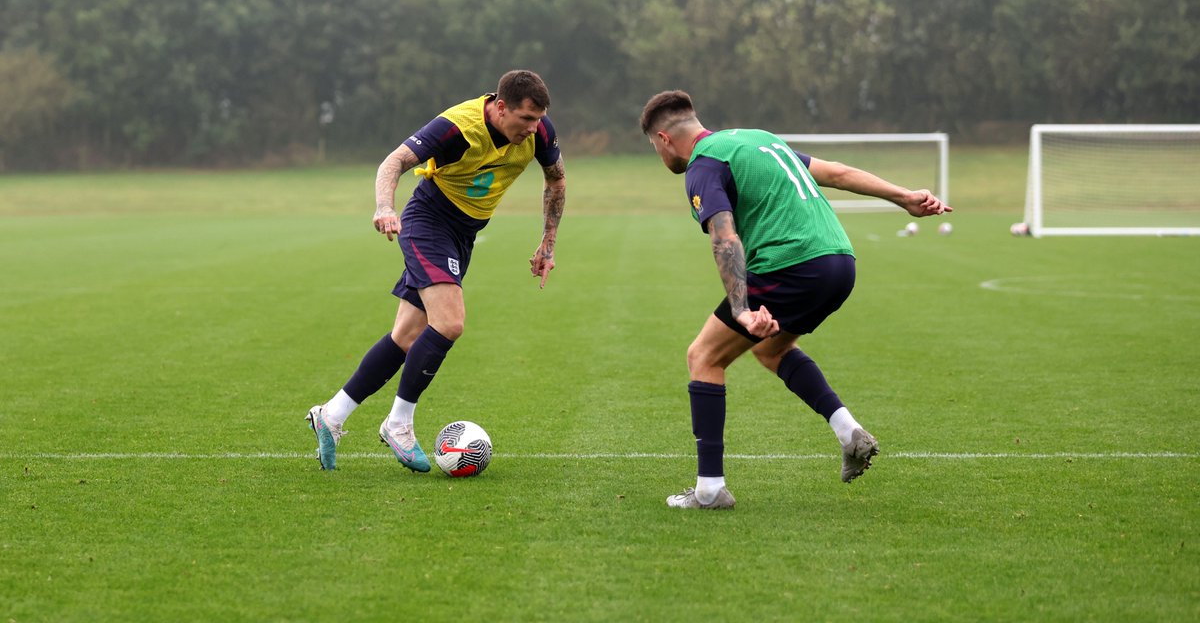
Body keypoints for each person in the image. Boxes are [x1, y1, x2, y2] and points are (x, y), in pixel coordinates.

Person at [639, 90, 951, 509]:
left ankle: (709, 490)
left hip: (793, 263)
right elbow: (837, 172)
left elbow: (725, 237)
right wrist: (905, 197)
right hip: (840, 262)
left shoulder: (703, 165)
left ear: (663, 139)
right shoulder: (757, 139)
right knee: (772, 349)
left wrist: (741, 311)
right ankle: (848, 432)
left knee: (704, 358)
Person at [306, 70, 566, 472]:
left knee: (407, 335)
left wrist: (548, 242)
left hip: (464, 232)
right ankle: (399, 423)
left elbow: (556, 180)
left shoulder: (539, 130)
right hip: (430, 221)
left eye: (537, 120)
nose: (533, 129)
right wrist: (384, 206)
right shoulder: (457, 127)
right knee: (449, 323)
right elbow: (393, 161)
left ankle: (332, 415)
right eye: (525, 120)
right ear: (500, 107)